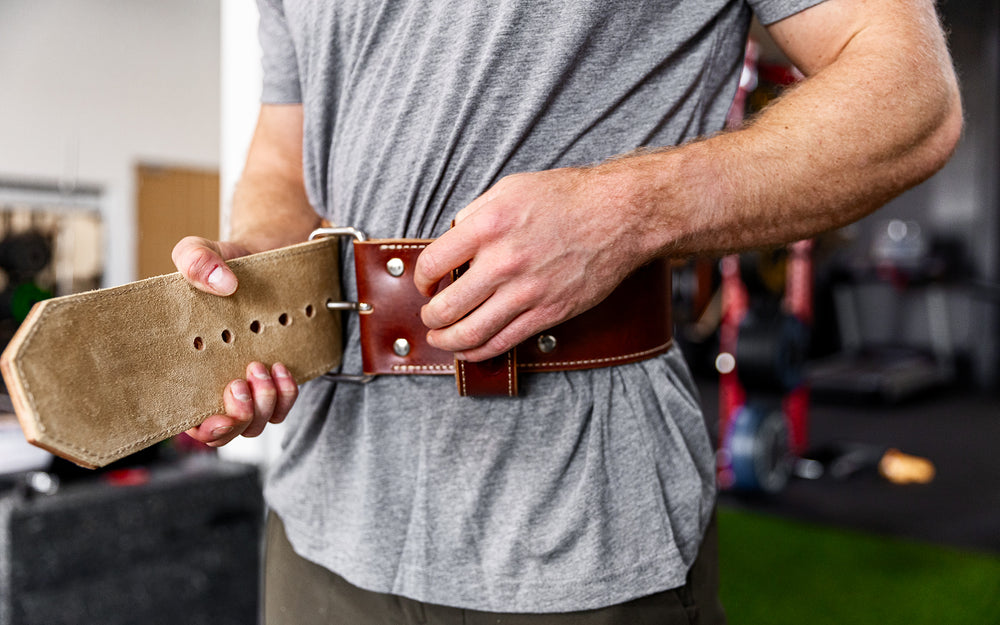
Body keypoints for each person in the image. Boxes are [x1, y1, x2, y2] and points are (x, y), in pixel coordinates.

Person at [173, 0, 961, 622]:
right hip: (321, 519)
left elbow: (911, 96)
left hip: (578, 535)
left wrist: (627, 211)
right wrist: (260, 275)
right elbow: (283, 155)